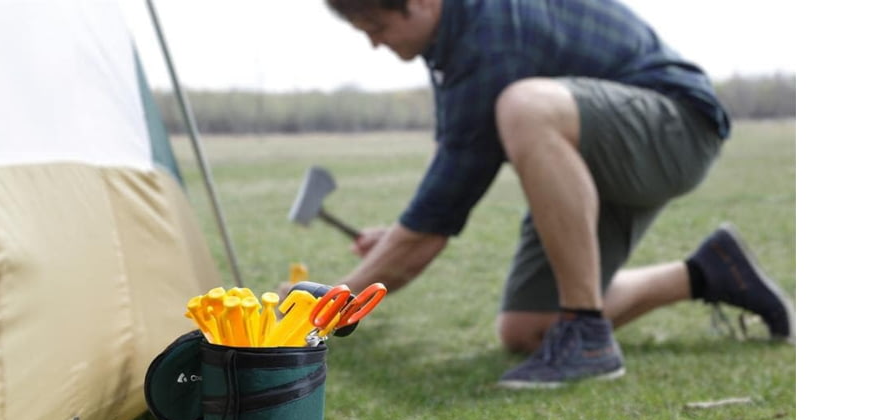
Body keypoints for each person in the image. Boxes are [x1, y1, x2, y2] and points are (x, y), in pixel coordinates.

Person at [320, 0, 795, 388]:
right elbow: (452, 166)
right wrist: (394, 236)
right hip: (599, 153)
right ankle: (708, 272)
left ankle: (587, 334)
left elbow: (431, 229)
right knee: (527, 328)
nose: (375, 43)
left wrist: (326, 312)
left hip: (677, 127)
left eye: (376, 26)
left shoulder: (489, 31)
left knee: (525, 105)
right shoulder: (451, 43)